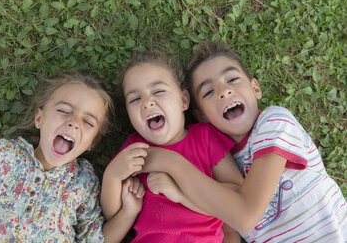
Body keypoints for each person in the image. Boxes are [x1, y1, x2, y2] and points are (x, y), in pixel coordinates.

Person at [141, 41, 347, 242]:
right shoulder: (220, 164)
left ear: (255, 88)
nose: (224, 91)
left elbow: (246, 217)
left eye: (232, 79)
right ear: (202, 116)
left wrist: (171, 162)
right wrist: (180, 195)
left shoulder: (274, 122)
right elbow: (226, 210)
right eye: (209, 92)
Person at [0, 70, 145, 243]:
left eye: (88, 122)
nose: (74, 122)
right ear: (39, 118)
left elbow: (95, 239)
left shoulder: (83, 180)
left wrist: (128, 212)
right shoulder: (1, 154)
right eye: (64, 110)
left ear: (93, 142)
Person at [100, 52, 244, 242]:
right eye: (135, 99)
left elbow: (236, 195)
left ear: (184, 100)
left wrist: (180, 193)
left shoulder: (205, 137)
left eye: (158, 91)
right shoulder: (134, 147)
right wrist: (112, 175)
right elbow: (113, 214)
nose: (147, 102)